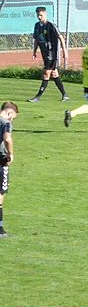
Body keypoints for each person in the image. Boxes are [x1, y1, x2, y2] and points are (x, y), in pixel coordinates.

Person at [29, 6, 69, 102]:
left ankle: (38, 97)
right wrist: (34, 51)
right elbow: (36, 40)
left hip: (51, 54)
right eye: (38, 15)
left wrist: (65, 51)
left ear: (45, 14)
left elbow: (61, 38)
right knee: (54, 74)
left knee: (46, 74)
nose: (39, 17)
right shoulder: (37, 26)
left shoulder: (51, 25)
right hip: (45, 54)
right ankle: (65, 95)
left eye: (41, 15)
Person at [0, 101, 19, 238]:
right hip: (1, 161)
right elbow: (7, 138)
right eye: (13, 117)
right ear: (9, 112)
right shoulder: (5, 123)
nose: (12, 120)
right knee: (0, 194)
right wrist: (10, 154)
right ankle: (0, 229)